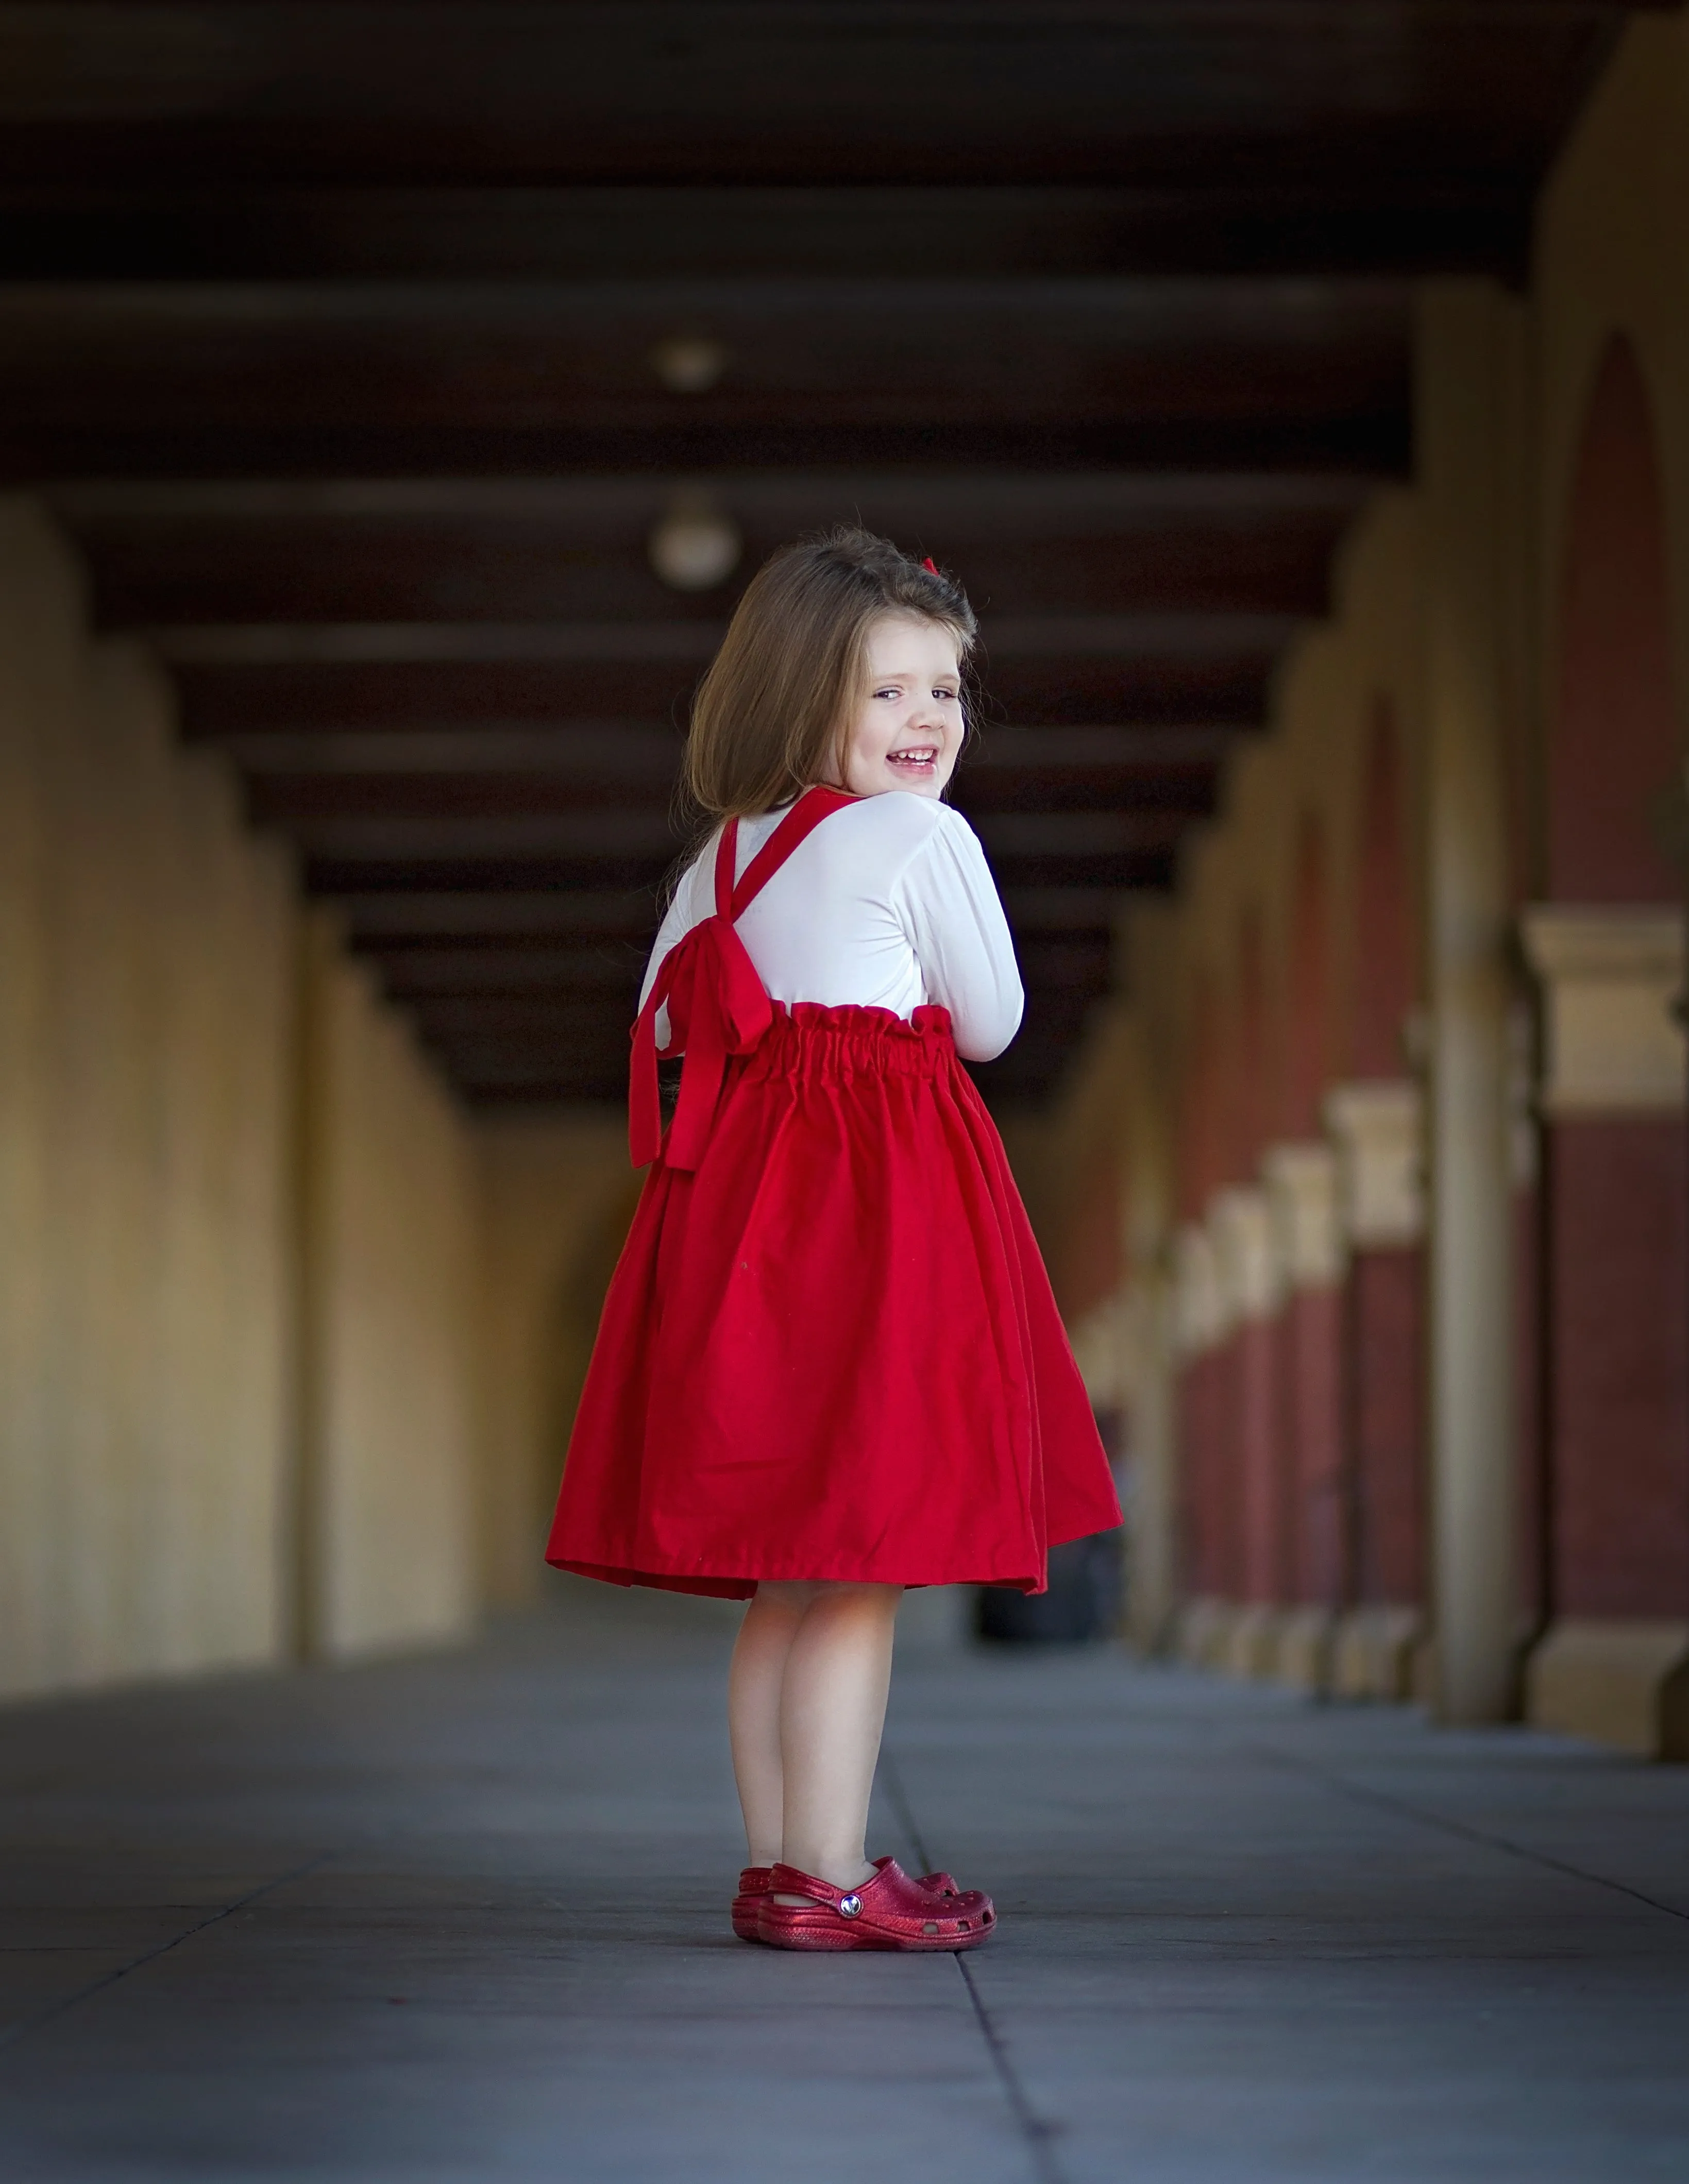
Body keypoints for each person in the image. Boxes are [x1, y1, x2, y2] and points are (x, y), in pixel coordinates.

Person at [546, 528, 1121, 1952]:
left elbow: (671, 1029)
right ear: (803, 698)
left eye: (947, 691)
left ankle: (778, 1869)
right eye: (887, 693)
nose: (927, 722)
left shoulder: (717, 865)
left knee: (784, 1576)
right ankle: (838, 1868)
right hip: (873, 1219)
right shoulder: (925, 836)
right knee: (855, 1561)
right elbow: (989, 1023)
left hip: (736, 1219)